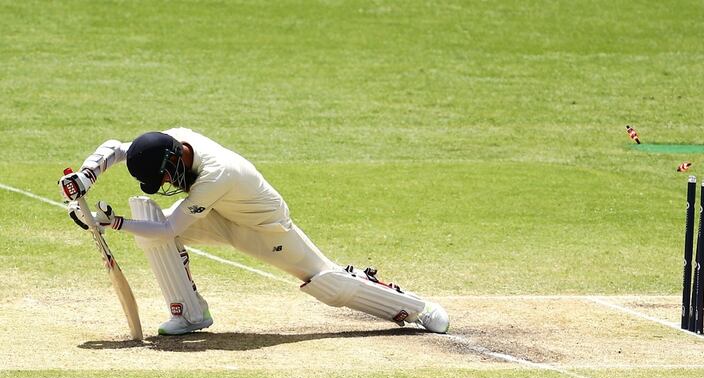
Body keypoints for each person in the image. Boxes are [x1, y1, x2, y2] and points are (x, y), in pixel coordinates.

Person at [60, 128, 449, 336]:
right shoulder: (167, 142)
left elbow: (169, 226)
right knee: (148, 221)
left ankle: (417, 308)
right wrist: (86, 175)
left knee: (325, 283)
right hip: (218, 214)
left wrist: (110, 222)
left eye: (163, 176)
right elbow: (114, 146)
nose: (165, 182)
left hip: (263, 227)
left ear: (176, 157)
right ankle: (191, 315)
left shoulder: (216, 174)